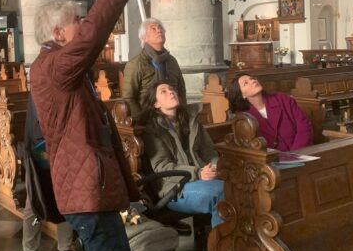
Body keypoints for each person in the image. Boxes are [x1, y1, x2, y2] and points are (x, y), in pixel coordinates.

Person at [31, 0, 149, 251]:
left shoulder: (57, 65)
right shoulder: (54, 66)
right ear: (57, 33)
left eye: (82, 20)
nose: (82, 25)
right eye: (76, 21)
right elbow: (92, 37)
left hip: (88, 190)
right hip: (86, 193)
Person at [8, 94, 80, 251]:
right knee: (35, 199)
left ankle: (65, 250)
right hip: (40, 144)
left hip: (66, 143)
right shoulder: (38, 82)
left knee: (65, 198)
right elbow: (34, 117)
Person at [140, 81, 224, 227]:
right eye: (163, 91)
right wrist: (198, 173)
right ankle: (223, 241)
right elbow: (162, 167)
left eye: (171, 89)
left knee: (239, 187)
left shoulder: (192, 120)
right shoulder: (152, 130)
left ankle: (234, 239)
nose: (171, 92)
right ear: (156, 104)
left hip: (202, 178)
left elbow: (209, 153)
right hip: (174, 189)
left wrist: (215, 167)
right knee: (221, 192)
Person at [226, 74, 313, 151]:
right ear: (242, 95)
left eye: (252, 78)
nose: (253, 81)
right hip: (269, 160)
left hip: (301, 152)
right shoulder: (243, 117)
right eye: (246, 83)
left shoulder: (282, 99)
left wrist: (295, 154)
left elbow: (304, 126)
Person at [122, 18, 187, 117]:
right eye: (153, 28)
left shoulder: (172, 61)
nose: (159, 30)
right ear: (144, 37)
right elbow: (128, 98)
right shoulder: (135, 64)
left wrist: (183, 114)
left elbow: (181, 89)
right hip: (148, 118)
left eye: (160, 28)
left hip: (175, 116)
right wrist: (142, 120)